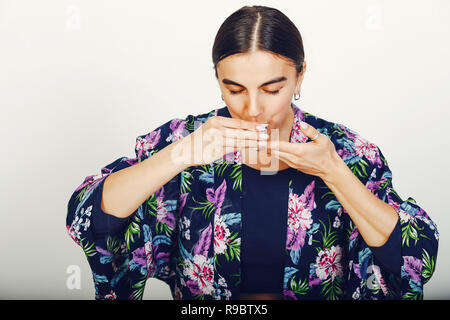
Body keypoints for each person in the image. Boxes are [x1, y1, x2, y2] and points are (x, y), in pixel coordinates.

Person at [66, 5, 439, 300]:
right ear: (218, 81)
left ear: (299, 77)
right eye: (235, 89)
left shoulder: (345, 150)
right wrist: (177, 157)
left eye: (272, 89)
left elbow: (415, 259)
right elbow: (88, 219)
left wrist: (333, 172)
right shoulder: (186, 140)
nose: (253, 107)